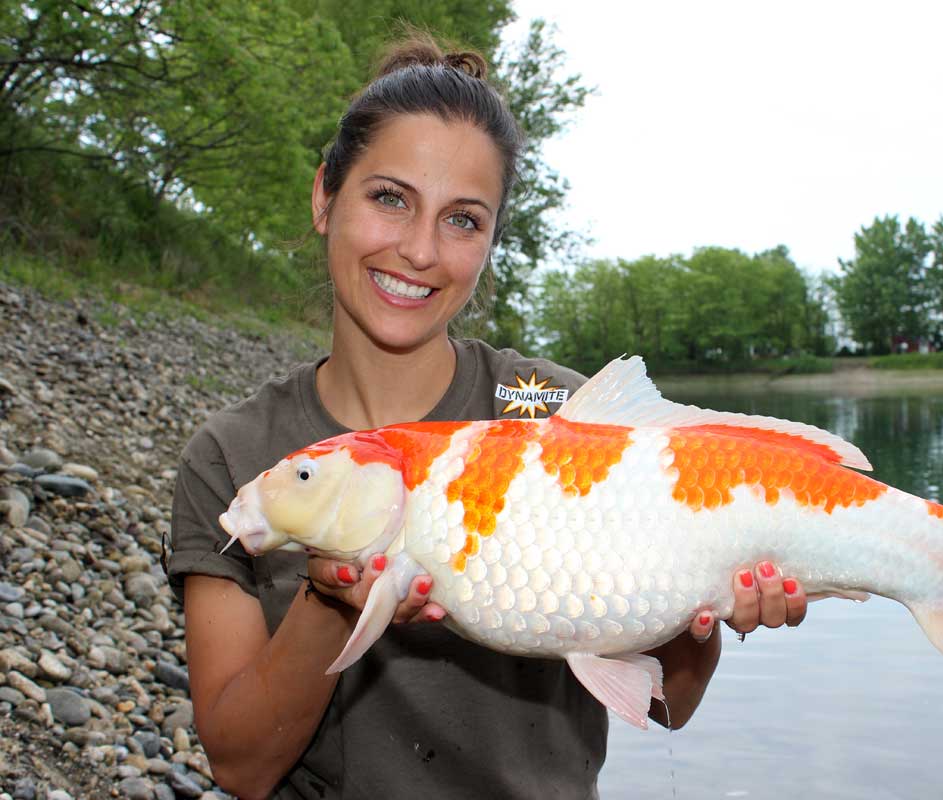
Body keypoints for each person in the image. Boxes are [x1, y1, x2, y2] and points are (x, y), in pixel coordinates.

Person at [168, 33, 809, 800]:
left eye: (464, 220)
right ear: (324, 197)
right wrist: (334, 597)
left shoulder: (554, 409)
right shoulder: (234, 456)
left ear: (491, 242)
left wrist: (711, 610)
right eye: (389, 198)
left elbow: (671, 700)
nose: (418, 250)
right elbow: (240, 766)